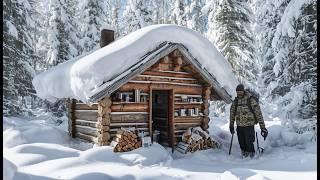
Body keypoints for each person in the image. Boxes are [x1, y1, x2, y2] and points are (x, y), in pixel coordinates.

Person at [229, 84, 268, 158]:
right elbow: (232, 114)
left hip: (249, 126)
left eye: (240, 91)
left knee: (249, 143)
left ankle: (251, 159)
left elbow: (258, 114)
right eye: (237, 92)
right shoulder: (236, 101)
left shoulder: (250, 100)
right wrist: (231, 125)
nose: (239, 93)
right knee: (242, 143)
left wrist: (262, 127)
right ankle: (244, 157)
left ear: (243, 91)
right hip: (239, 126)